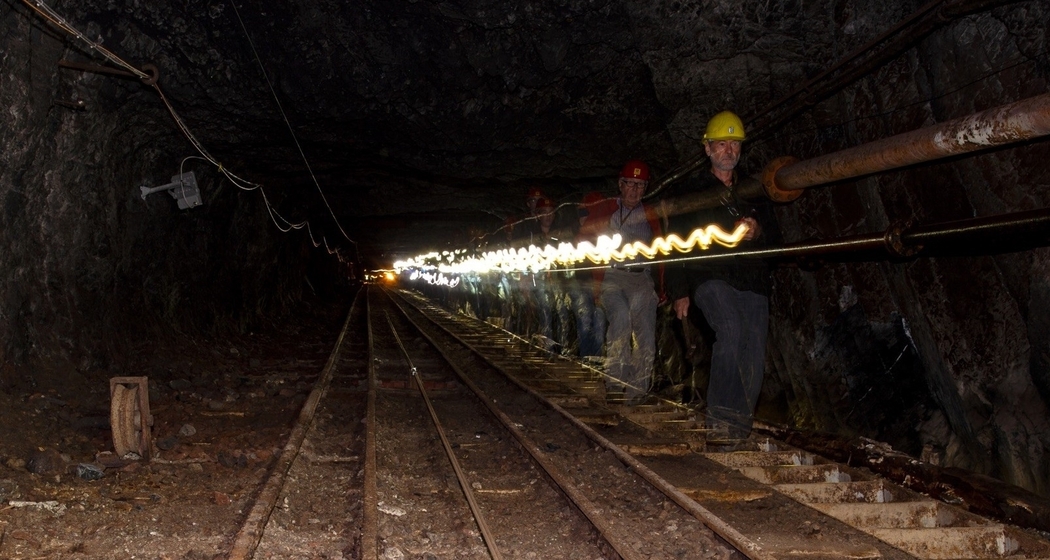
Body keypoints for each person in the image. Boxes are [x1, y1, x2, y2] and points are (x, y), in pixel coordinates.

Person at [664, 111, 771, 440]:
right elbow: (675, 243)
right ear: (707, 149)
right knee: (731, 329)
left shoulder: (753, 189)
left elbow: (775, 233)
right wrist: (679, 292)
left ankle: (738, 429)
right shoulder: (692, 192)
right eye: (721, 144)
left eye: (735, 144)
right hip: (708, 276)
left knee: (754, 350)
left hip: (751, 278)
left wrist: (758, 230)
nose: (729, 150)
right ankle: (719, 422)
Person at [600, 160, 663, 405]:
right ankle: (615, 384)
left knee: (646, 332)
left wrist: (662, 286)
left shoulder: (651, 214)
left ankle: (637, 392)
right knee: (620, 320)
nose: (635, 190)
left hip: (641, 278)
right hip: (614, 276)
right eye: (630, 184)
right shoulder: (607, 211)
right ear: (621, 184)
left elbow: (663, 249)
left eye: (640, 185)